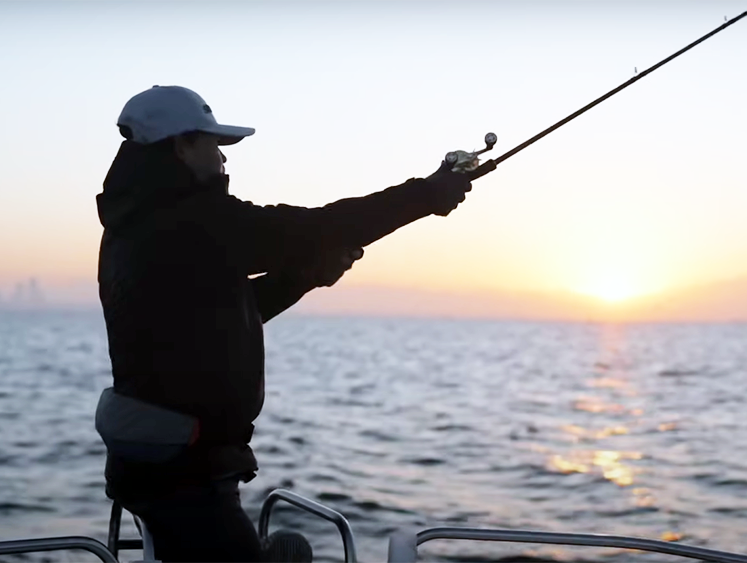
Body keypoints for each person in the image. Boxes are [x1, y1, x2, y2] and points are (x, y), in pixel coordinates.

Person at [93, 85, 473, 563]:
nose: (223, 158)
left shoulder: (138, 222)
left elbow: (218, 310)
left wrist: (302, 277)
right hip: (183, 474)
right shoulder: (187, 220)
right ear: (181, 145)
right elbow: (313, 229)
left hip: (163, 464)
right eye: (213, 144)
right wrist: (427, 194)